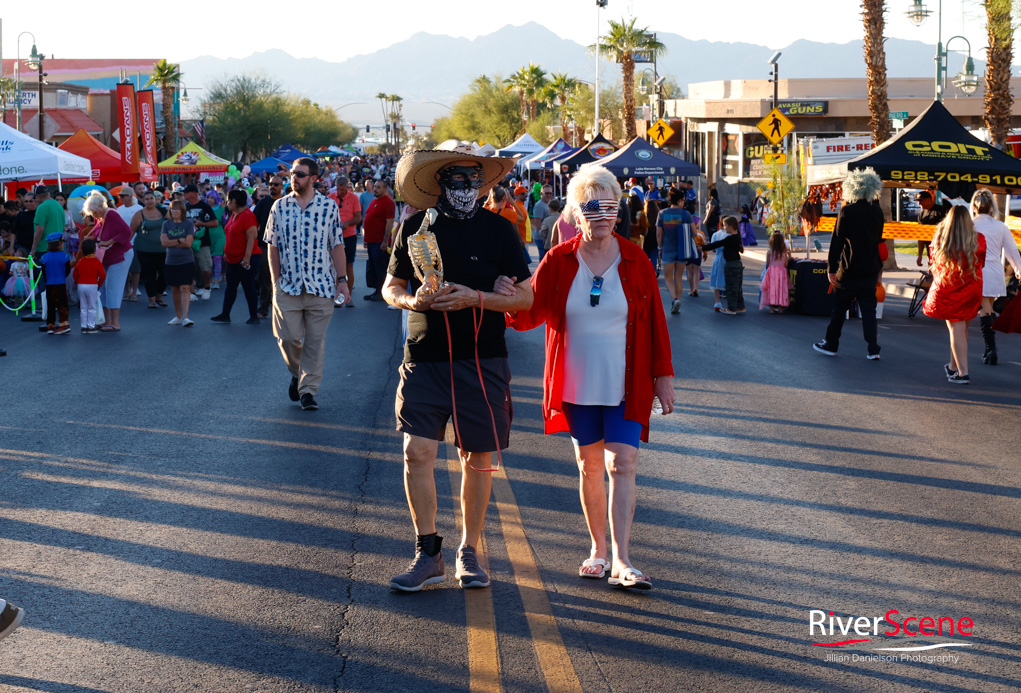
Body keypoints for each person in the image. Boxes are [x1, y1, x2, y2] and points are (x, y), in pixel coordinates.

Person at [505, 164, 674, 591]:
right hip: (577, 382)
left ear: (620, 212)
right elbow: (531, 313)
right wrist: (506, 299)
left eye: (609, 208)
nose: (601, 218)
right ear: (575, 215)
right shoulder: (558, 260)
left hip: (626, 382)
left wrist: (663, 377)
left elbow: (655, 322)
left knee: (624, 463)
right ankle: (597, 550)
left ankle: (621, 559)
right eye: (590, 209)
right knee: (590, 465)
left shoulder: (636, 260)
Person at [384, 141, 532, 592]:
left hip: (482, 358)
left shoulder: (500, 230)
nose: (466, 187)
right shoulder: (414, 229)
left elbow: (526, 298)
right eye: (456, 179)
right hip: (425, 356)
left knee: (477, 457)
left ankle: (469, 551)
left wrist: (478, 298)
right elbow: (391, 286)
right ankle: (428, 553)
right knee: (417, 452)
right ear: (439, 184)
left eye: (473, 179)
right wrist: (412, 299)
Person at [265, 157, 352, 411]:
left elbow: (337, 245)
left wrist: (342, 281)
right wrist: (275, 282)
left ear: (314, 178)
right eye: (292, 173)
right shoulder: (279, 207)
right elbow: (273, 246)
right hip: (288, 286)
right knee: (287, 338)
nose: (294, 178)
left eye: (300, 174)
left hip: (321, 287)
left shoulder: (328, 207)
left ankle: (308, 391)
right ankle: (298, 372)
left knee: (315, 342)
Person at [813, 168, 885, 360]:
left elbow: (837, 241)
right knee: (869, 311)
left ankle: (831, 343)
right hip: (870, 268)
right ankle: (873, 348)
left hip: (850, 267)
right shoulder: (877, 211)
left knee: (839, 308)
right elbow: (878, 239)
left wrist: (831, 268)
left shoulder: (847, 211)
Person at [923, 206, 986, 384]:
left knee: (955, 328)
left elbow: (933, 261)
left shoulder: (941, 238)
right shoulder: (979, 239)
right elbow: (981, 263)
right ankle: (953, 366)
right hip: (971, 286)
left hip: (949, 286)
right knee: (962, 328)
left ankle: (962, 373)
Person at [969, 189, 1021, 366]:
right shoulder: (1000, 226)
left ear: (974, 207)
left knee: (984, 309)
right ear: (992, 207)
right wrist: (1018, 269)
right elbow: (1012, 251)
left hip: (976, 269)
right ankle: (989, 350)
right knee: (988, 308)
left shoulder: (969, 224)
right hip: (993, 269)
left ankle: (991, 350)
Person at [211, 190, 262, 324]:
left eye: (228, 201)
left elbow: (252, 238)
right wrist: (226, 252)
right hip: (232, 258)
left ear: (234, 201)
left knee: (248, 286)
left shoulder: (248, 216)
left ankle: (254, 316)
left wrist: (247, 258)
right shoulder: (233, 214)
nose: (227, 203)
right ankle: (225, 314)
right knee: (231, 287)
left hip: (246, 257)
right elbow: (231, 234)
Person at [85, 191, 133, 332]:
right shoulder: (102, 217)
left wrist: (108, 242)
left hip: (121, 254)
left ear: (101, 206)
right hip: (110, 256)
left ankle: (115, 322)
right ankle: (107, 320)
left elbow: (126, 231)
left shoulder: (110, 214)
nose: (93, 216)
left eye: (94, 212)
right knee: (104, 287)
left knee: (113, 286)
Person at [656, 187, 699, 314]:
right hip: (682, 249)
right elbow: (695, 233)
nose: (684, 202)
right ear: (680, 200)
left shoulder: (662, 213)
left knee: (668, 278)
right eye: (683, 200)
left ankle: (674, 299)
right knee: (678, 277)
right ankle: (678, 300)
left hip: (667, 249)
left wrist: (660, 248)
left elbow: (659, 234)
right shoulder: (686, 214)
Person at [161, 199, 196, 327]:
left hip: (186, 260)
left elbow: (188, 244)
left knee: (185, 287)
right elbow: (164, 243)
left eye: (176, 209)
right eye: (172, 209)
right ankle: (178, 316)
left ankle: (186, 317)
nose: (174, 211)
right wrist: (179, 240)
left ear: (182, 211)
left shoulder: (188, 224)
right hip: (171, 260)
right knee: (175, 289)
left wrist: (173, 240)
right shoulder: (166, 224)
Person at [701, 216, 746, 315]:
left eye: (725, 226)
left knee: (731, 286)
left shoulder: (729, 238)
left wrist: (703, 247)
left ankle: (731, 308)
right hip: (738, 263)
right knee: (737, 286)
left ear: (731, 226)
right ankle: (740, 306)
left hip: (731, 264)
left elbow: (717, 244)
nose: (724, 228)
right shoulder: (737, 236)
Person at [132, 191, 168, 309]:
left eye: (151, 198)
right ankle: (152, 300)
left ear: (155, 199)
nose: (149, 201)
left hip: (163, 249)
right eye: (146, 199)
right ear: (143, 201)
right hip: (144, 250)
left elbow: (174, 223)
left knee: (164, 274)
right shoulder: (139, 214)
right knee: (149, 274)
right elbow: (131, 231)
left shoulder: (163, 211)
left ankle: (159, 296)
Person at [330, 175, 363, 306]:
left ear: (347, 188)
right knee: (335, 266)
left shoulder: (354, 198)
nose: (340, 192)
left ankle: (348, 297)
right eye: (338, 189)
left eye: (342, 190)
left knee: (349, 265)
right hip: (334, 236)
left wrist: (347, 223)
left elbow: (358, 218)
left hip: (349, 235)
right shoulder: (331, 198)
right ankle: (338, 297)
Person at [362, 179, 395, 301]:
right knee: (374, 267)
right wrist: (366, 239)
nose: (375, 189)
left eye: (379, 187)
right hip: (371, 241)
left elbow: (389, 222)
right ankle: (377, 290)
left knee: (381, 268)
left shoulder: (388, 202)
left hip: (379, 242)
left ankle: (382, 293)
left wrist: (385, 241)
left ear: (385, 189)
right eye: (375, 186)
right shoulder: (374, 201)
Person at [183, 184, 217, 300]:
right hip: (188, 242)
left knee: (205, 267)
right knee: (189, 267)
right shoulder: (185, 207)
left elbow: (215, 223)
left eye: (186, 192)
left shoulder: (205, 206)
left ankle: (207, 287)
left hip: (203, 242)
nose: (184, 195)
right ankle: (192, 291)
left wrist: (201, 224)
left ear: (193, 193)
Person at [41, 232, 72, 335]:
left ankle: (51, 325)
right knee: (62, 304)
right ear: (59, 243)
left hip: (49, 284)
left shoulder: (44, 257)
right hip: (61, 283)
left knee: (51, 305)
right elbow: (67, 270)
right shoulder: (65, 256)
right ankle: (64, 324)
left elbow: (44, 272)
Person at [73, 237, 106, 333]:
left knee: (83, 306)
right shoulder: (97, 262)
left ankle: (83, 326)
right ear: (94, 250)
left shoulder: (80, 261)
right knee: (92, 306)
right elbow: (102, 275)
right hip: (92, 285)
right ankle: (91, 326)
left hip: (81, 285)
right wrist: (98, 285)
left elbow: (75, 273)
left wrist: (77, 282)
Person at [116, 190, 142, 302]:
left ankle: (135, 291)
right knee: (124, 268)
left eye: (123, 196)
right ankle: (127, 291)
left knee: (135, 269)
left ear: (130, 196)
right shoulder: (119, 209)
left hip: (135, 242)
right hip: (123, 242)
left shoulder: (139, 208)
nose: (121, 198)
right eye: (120, 196)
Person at [915, 190, 951, 267]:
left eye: (921, 200)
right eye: (918, 201)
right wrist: (920, 255)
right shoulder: (922, 214)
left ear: (928, 199)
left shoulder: (941, 211)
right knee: (932, 268)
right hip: (930, 248)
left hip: (941, 248)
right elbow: (920, 236)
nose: (919, 203)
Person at [760, 231, 791, 313]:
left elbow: (767, 264)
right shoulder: (784, 253)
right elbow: (786, 264)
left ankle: (771, 307)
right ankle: (781, 307)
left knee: (772, 289)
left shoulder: (770, 252)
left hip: (772, 272)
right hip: (782, 272)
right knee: (781, 288)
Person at [707, 221, 728, 311]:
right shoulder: (729, 235)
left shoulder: (716, 234)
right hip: (726, 257)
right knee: (728, 279)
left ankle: (717, 301)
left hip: (718, 257)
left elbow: (713, 247)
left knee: (716, 279)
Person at [531, 185, 553, 260]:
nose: (549, 195)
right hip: (542, 238)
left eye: (550, 193)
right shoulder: (539, 205)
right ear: (541, 193)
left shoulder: (549, 204)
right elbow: (538, 223)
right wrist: (543, 237)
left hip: (546, 237)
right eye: (546, 193)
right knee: (544, 259)